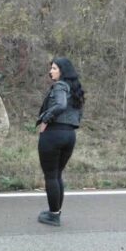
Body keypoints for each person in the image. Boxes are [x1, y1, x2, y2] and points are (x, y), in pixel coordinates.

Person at [35, 57, 84, 226]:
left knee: (51, 175)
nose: (51, 71)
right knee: (57, 175)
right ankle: (55, 211)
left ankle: (53, 215)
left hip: (53, 134)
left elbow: (61, 105)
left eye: (54, 68)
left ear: (63, 71)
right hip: (69, 135)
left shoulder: (60, 86)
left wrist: (45, 119)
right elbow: (77, 114)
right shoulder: (75, 89)